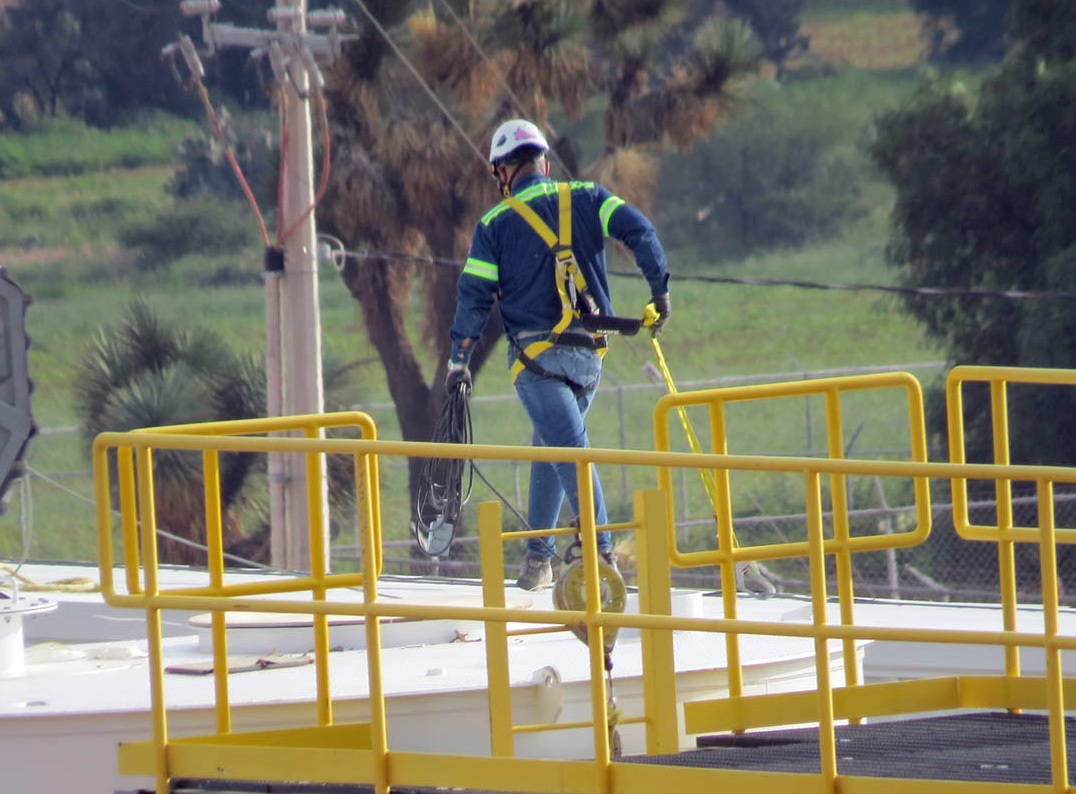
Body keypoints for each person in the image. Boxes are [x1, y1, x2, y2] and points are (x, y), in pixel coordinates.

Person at [446, 119, 671, 591]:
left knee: (568, 450)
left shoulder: (493, 225)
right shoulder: (589, 196)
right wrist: (659, 292)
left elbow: (474, 297)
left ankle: (601, 552)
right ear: (543, 164)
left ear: (503, 173)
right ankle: (537, 561)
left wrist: (459, 359)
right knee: (550, 448)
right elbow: (640, 230)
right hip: (589, 358)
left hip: (537, 363)